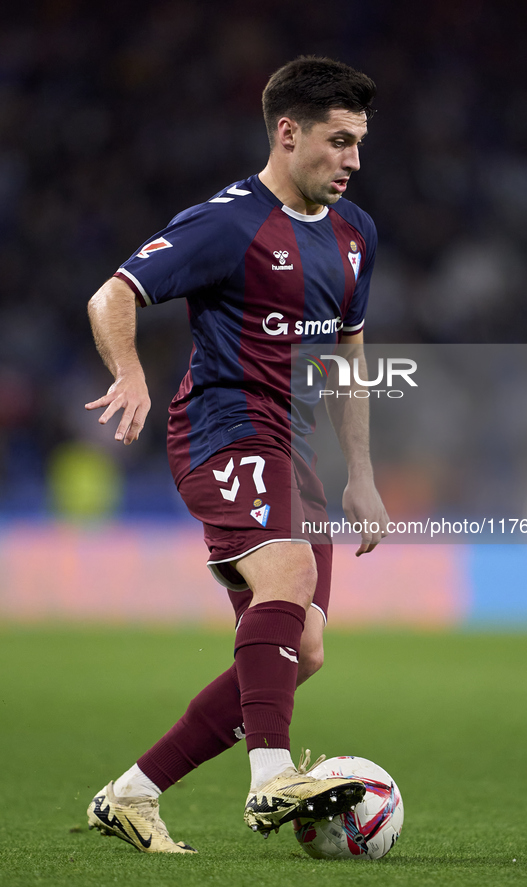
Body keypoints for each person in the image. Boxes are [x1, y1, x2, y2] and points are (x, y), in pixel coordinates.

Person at [85, 55, 389, 854]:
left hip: (296, 449)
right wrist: (129, 372)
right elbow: (112, 293)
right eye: (339, 140)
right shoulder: (227, 222)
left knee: (305, 651)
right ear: (287, 134)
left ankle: (132, 792)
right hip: (224, 427)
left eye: (359, 143)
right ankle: (270, 778)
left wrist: (360, 471)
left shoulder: (356, 234)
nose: (353, 160)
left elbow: (349, 357)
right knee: (286, 574)